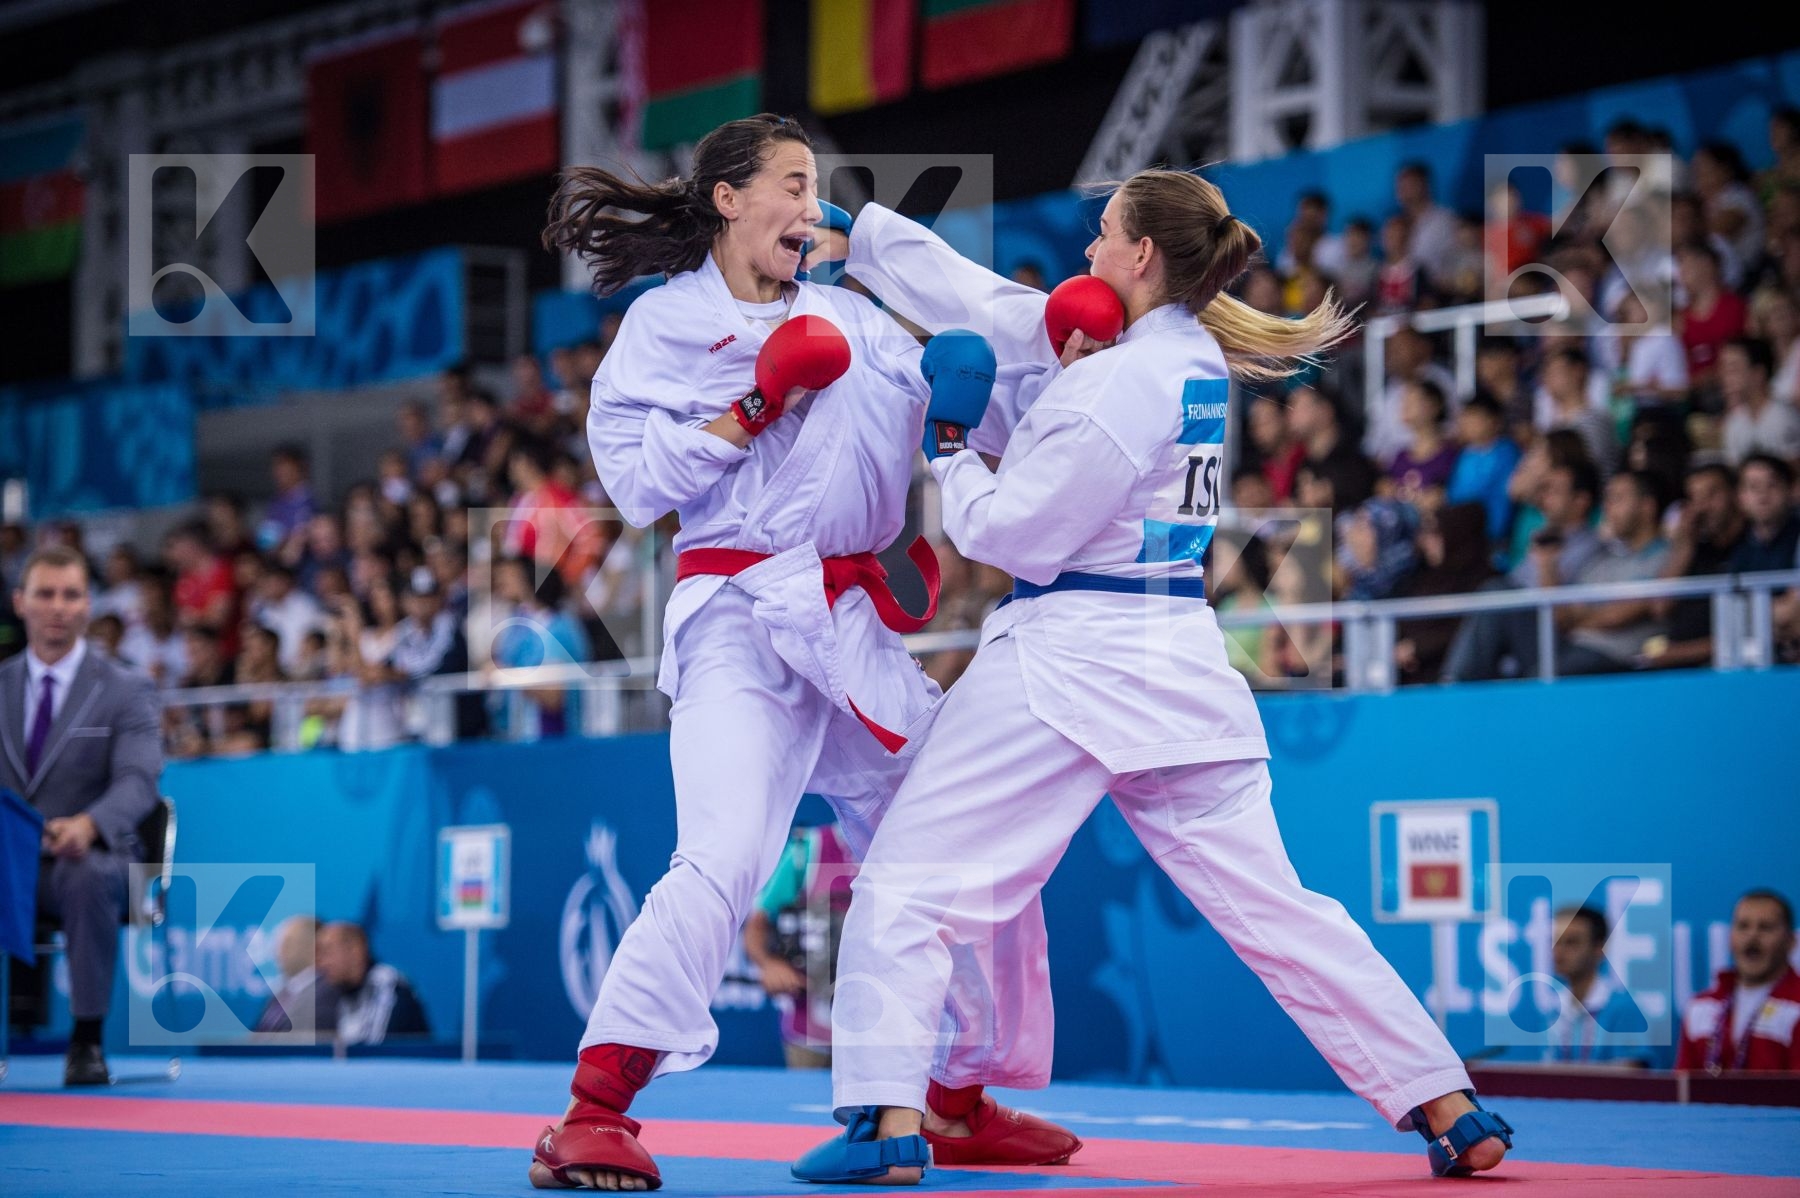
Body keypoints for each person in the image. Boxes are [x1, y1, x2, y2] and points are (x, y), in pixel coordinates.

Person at [794, 169, 1511, 1184]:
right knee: (1279, 909)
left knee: (908, 883)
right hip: (1175, 661)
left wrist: (951, 449)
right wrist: (864, 236)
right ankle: (1448, 1100)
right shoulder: (1179, 355)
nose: (1086, 252)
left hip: (1071, 656)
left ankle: (885, 1122)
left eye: (1103, 236)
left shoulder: (1113, 380)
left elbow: (1013, 534)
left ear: (1139, 257)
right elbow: (991, 304)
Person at [526, 114, 1077, 1191]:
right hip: (735, 616)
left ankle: (955, 1099)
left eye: (816, 186)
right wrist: (751, 406)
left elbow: (960, 402)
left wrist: (986, 389)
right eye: (790, 182)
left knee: (966, 840)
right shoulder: (663, 327)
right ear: (728, 198)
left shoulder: (855, 318)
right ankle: (594, 1109)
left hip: (853, 623)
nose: (808, 204)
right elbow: (636, 488)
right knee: (725, 855)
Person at [0, 545, 162, 1085]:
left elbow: (139, 781)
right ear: (20, 601)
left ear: (88, 605)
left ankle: (86, 1041)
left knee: (86, 874)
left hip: (91, 856)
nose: (58, 607)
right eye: (45, 594)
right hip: (11, 860)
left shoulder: (126, 688)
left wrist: (88, 825)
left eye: (71, 595)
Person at [1676, 890, 1800, 1073]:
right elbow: (1682, 1090)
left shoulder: (1796, 1006)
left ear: (1790, 941)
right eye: (1743, 926)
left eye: (1765, 927)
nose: (1752, 936)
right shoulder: (1700, 1006)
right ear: (1730, 936)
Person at [1542, 906, 1650, 1066]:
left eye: (1572, 942)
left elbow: (1631, 1074)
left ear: (1598, 949)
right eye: (1556, 941)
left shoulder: (1623, 1008)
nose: (1559, 951)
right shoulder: (1555, 1009)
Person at [314, 921, 430, 1044]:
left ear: (355, 951)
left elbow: (375, 1053)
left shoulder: (386, 985)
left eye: (327, 952)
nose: (321, 963)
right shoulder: (344, 994)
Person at [254, 914, 340, 1034]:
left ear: (313, 947)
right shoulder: (281, 993)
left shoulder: (327, 993)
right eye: (279, 943)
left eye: (288, 942)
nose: (279, 951)